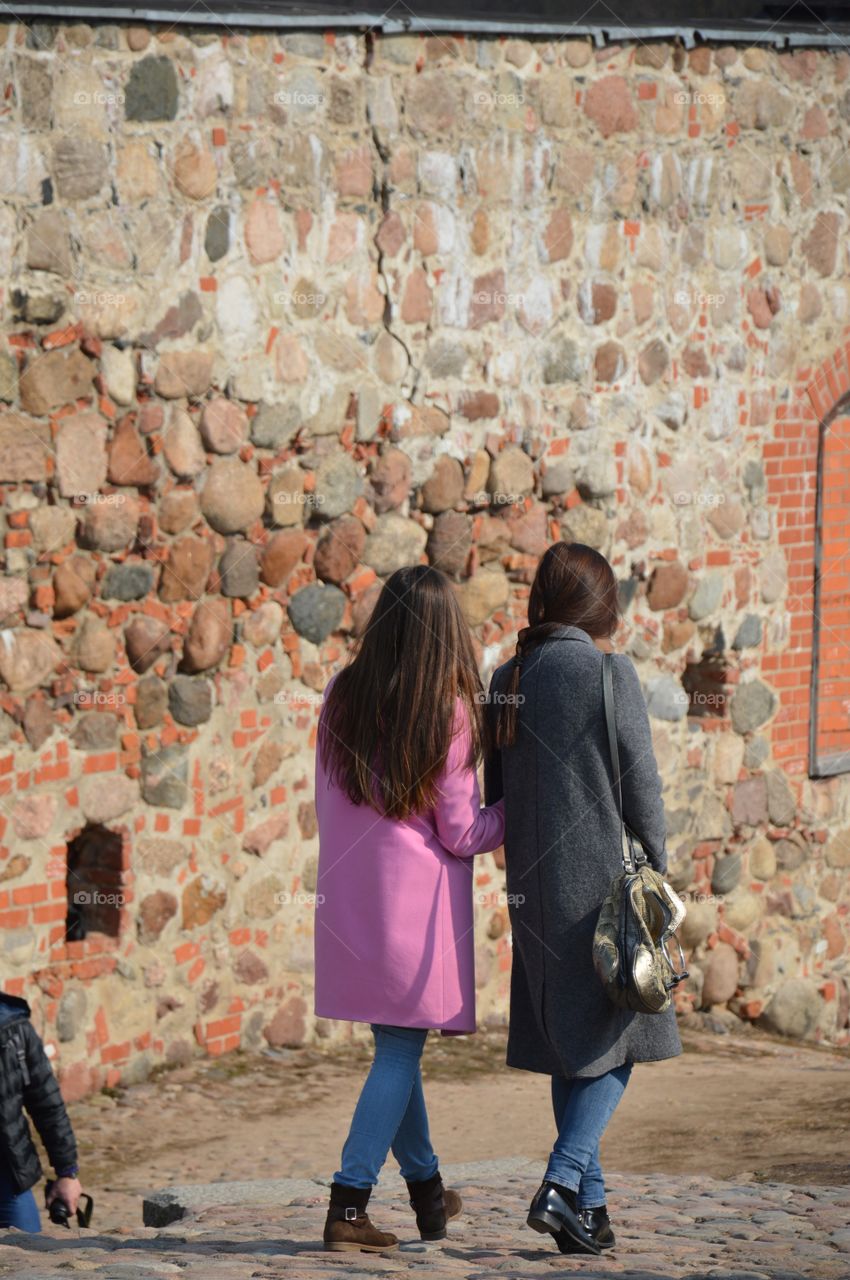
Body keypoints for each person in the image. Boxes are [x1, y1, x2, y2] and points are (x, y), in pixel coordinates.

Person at [484, 542, 681, 1256]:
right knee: (624, 1035)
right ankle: (563, 1181)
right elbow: (643, 783)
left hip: (532, 895)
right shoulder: (608, 672)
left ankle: (587, 1215)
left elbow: (493, 798)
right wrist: (659, 862)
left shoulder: (504, 678)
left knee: (573, 1047)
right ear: (600, 607)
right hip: (603, 892)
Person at [314, 564, 506, 1253]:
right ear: (445, 630)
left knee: (396, 1051)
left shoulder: (342, 694)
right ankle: (350, 1204)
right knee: (398, 1052)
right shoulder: (449, 709)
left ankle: (428, 1192)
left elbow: (324, 797)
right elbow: (461, 832)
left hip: (350, 906)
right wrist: (516, 811)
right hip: (412, 919)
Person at [0, 991, 83, 1232]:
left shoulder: (13, 1028)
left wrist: (67, 1172)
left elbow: (46, 1104)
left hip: (6, 1176)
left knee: (26, 1257)